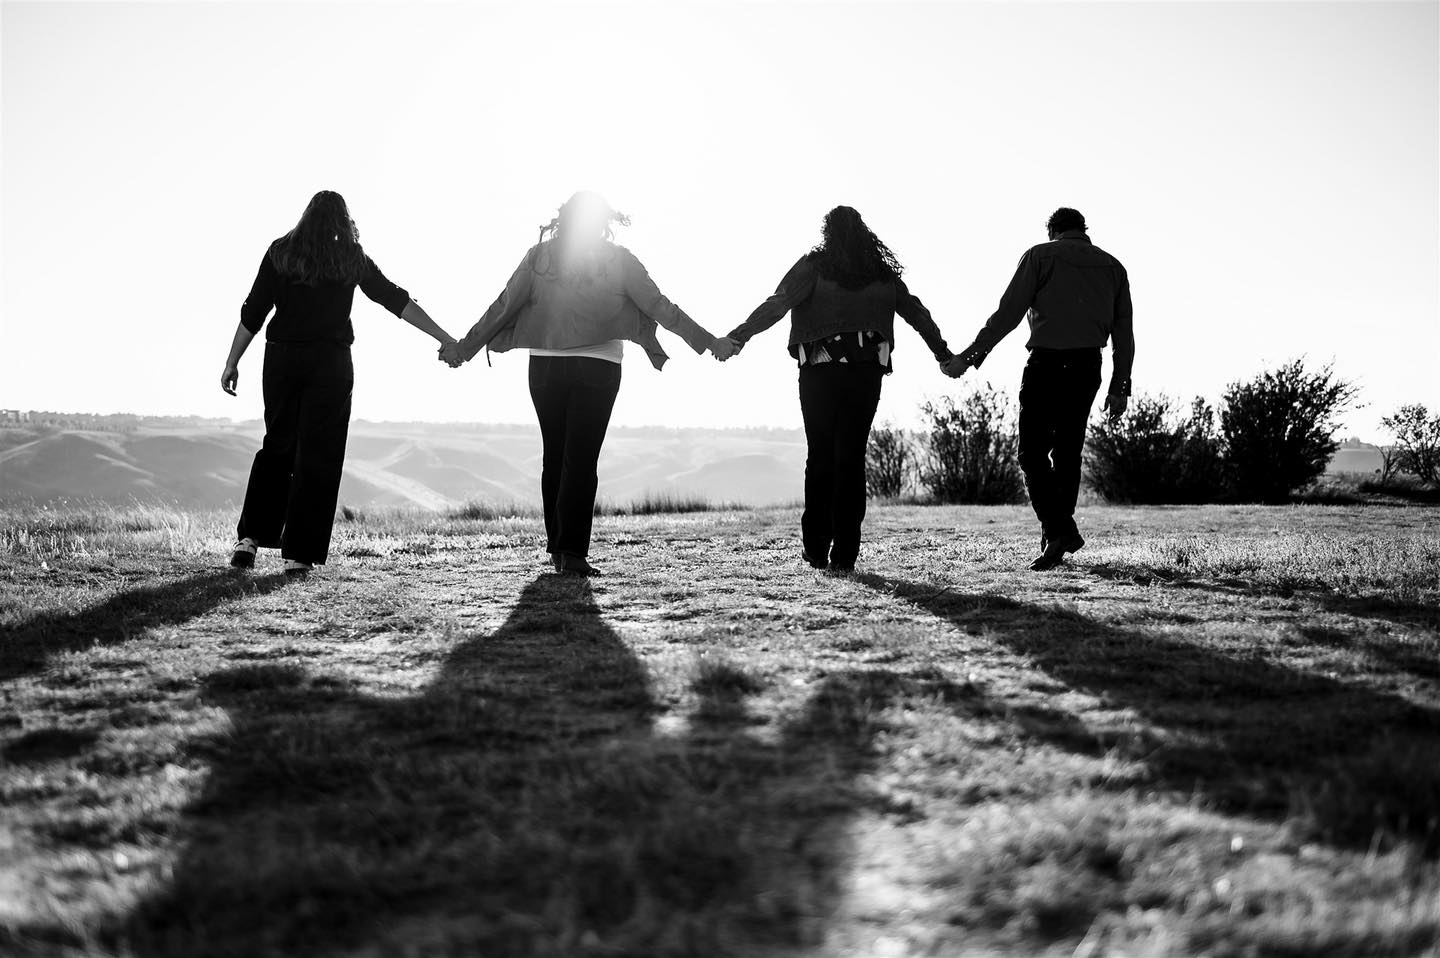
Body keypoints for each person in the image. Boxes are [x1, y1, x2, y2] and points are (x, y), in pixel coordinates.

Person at [441, 191, 733, 576]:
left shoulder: (539, 257)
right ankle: (572, 553)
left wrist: (465, 348)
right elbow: (661, 306)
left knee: (555, 455)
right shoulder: (619, 260)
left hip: (545, 366)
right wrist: (708, 341)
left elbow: (503, 306)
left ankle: (560, 551)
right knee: (580, 458)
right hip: (598, 365)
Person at [222, 190, 455, 577]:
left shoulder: (280, 252)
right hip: (330, 364)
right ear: (344, 222)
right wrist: (443, 337)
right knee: (320, 454)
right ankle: (300, 555)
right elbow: (394, 299)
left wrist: (232, 361)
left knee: (277, 445)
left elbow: (254, 310)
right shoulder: (351, 257)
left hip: (282, 358)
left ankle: (249, 541)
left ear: (306, 217)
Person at [717, 206, 954, 573]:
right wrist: (943, 353)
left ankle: (815, 548)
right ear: (864, 233)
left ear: (828, 232)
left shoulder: (815, 266)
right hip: (865, 374)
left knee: (821, 458)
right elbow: (916, 312)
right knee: (851, 459)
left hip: (820, 373)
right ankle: (844, 555)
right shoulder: (880, 273)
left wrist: (739, 336)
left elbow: (778, 304)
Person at [946, 207, 1134, 571]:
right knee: (1067, 453)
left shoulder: (1040, 255)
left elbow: (1007, 314)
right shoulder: (1113, 267)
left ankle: (1059, 530)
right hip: (1087, 366)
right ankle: (1056, 538)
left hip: (1046, 363)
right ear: (1083, 230)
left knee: (1031, 455)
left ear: (1053, 231)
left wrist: (969, 357)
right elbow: (1123, 334)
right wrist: (1120, 386)